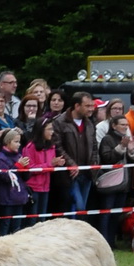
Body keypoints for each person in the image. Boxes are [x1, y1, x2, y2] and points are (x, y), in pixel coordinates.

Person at [55, 91, 99, 219]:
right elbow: (58, 146)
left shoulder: (90, 123)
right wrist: (71, 164)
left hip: (87, 173)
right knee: (77, 205)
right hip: (70, 174)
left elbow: (94, 146)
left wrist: (94, 163)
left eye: (92, 106)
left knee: (82, 208)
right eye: (87, 106)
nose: (91, 109)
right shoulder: (60, 122)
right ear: (77, 106)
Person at [96, 112, 134, 247]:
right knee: (106, 213)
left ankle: (112, 242)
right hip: (110, 183)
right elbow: (107, 158)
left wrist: (131, 150)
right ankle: (103, 243)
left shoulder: (127, 138)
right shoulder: (107, 139)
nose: (125, 127)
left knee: (116, 215)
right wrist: (121, 148)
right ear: (114, 126)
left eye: (127, 125)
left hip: (124, 183)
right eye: (122, 125)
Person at [0, 126, 29, 236]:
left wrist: (25, 168)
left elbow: (26, 177)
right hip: (6, 198)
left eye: (19, 142)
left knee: (17, 227)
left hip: (19, 197)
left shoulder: (19, 156)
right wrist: (18, 166)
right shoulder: (0, 157)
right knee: (5, 225)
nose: (19, 144)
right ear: (7, 142)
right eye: (16, 142)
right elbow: (5, 177)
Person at [21, 117, 58, 223]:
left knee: (42, 219)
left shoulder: (51, 146)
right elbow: (30, 168)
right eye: (49, 129)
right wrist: (49, 164)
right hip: (33, 188)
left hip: (46, 188)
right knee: (32, 220)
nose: (52, 132)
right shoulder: (30, 147)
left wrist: (56, 164)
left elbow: (50, 167)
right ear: (41, 130)